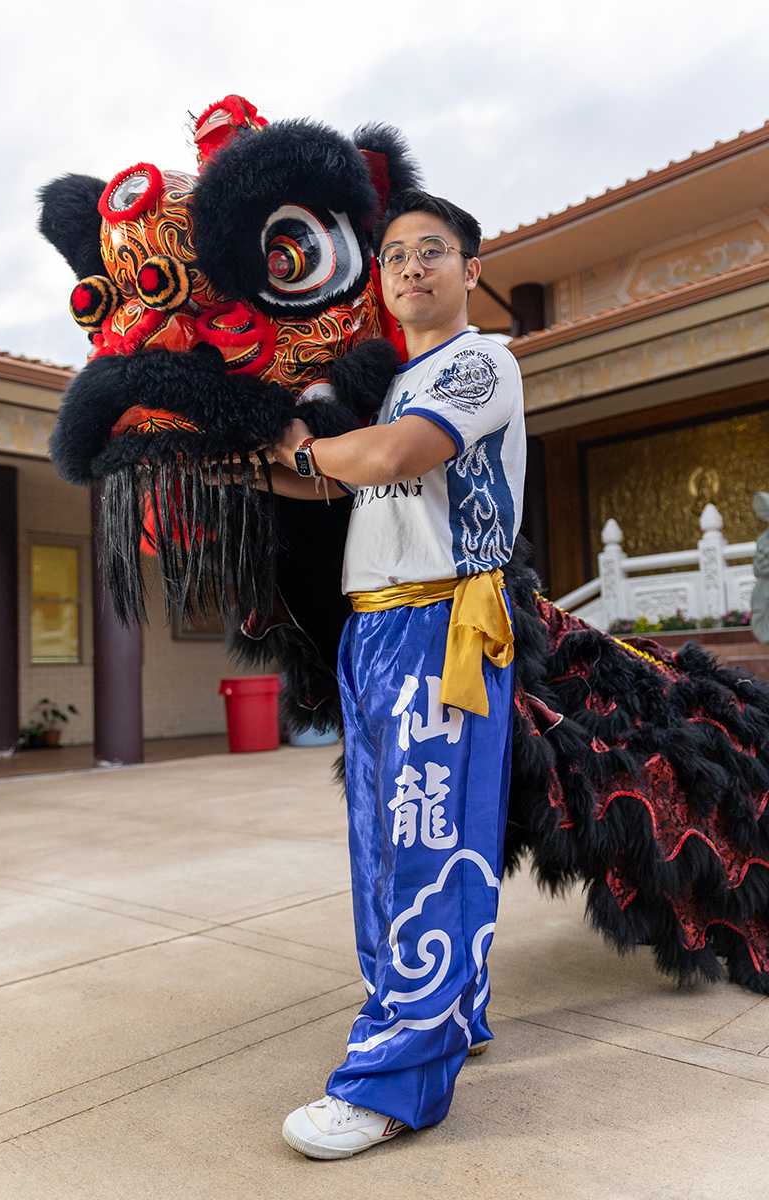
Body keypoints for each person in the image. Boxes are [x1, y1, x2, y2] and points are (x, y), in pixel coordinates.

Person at [260, 189, 527, 1158]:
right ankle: (437, 1012)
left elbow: (387, 457)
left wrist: (300, 446)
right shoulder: (403, 382)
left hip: (437, 624)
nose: (411, 267)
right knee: (381, 840)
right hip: (375, 626)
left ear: (470, 271)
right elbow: (333, 467)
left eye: (432, 251)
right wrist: (239, 455)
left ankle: (392, 1081)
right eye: (394, 256)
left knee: (424, 837)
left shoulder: (476, 364)